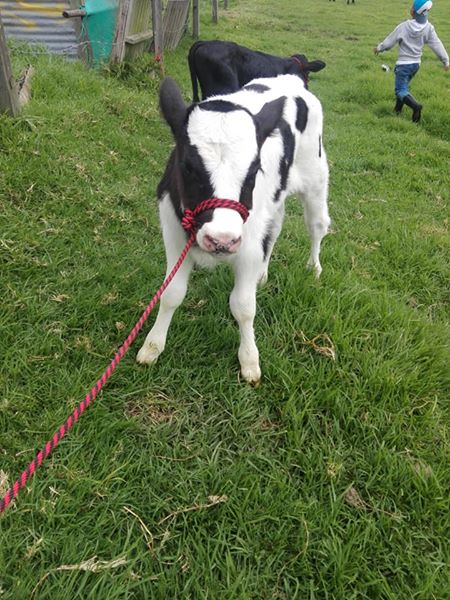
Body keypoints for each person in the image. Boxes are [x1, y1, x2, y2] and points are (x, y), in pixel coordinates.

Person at [373, 0, 449, 122]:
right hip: (415, 65)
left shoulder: (404, 26)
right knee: (403, 87)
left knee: (400, 90)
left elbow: (389, 42)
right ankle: (397, 110)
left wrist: (379, 48)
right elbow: (437, 45)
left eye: (412, 7)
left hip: (403, 65)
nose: (411, 8)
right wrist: (446, 61)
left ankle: (416, 107)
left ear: (414, 12)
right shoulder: (429, 28)